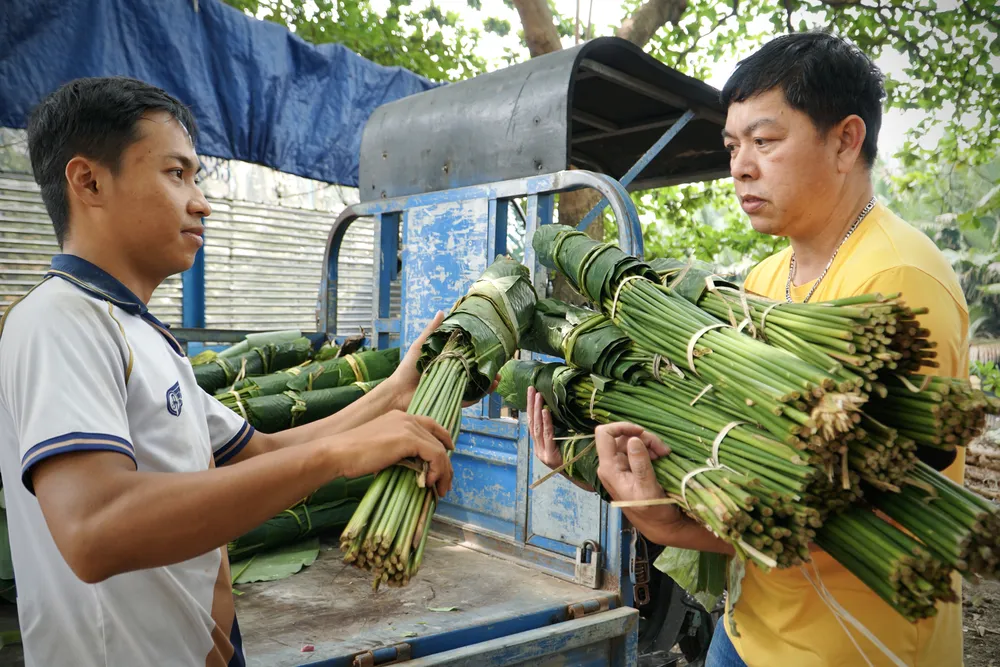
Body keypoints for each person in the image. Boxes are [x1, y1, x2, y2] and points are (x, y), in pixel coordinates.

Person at [529, 32, 968, 667]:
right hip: (751, 626)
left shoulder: (896, 281)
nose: (739, 166)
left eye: (765, 141)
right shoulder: (762, 280)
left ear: (846, 140)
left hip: (852, 647)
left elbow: (877, 513)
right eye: (733, 146)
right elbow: (743, 459)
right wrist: (595, 452)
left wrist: (674, 528)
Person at [0, 76, 463, 667]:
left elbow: (259, 451)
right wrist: (337, 458)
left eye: (196, 177)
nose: (201, 201)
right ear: (88, 180)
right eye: (176, 174)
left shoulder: (141, 332)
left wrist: (397, 390)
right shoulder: (58, 319)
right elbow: (94, 529)